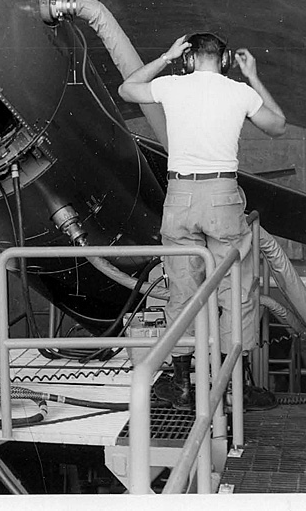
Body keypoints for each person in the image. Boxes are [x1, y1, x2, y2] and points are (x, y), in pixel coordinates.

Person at [118, 32, 286, 409]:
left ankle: (180, 383)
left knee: (181, 290)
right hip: (224, 198)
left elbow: (127, 89)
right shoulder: (238, 92)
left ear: (189, 59)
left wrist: (165, 56)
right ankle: (235, 385)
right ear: (225, 60)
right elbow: (278, 125)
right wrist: (253, 77)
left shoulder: (171, 85)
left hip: (180, 197)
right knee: (236, 290)